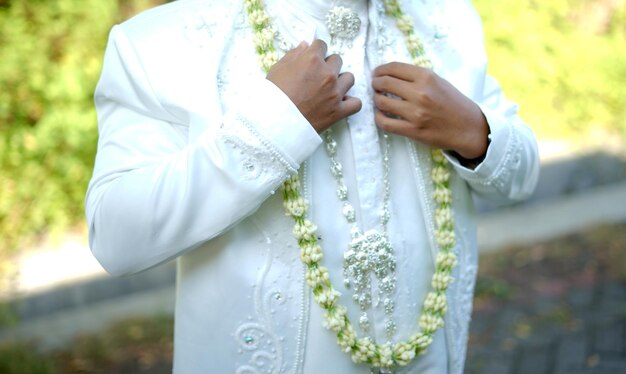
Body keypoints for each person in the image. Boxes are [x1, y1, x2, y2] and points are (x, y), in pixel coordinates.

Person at [85, 0, 539, 372]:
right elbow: (116, 235)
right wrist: (275, 121)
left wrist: (473, 131)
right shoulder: (160, 44)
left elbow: (522, 178)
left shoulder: (446, 19)